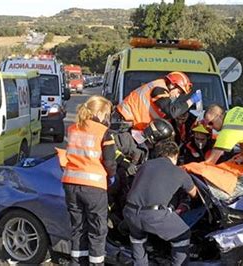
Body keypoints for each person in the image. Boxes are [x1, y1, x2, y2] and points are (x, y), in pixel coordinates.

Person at [61, 95, 117, 266]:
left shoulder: (73, 128)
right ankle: (96, 264)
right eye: (106, 114)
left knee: (78, 228)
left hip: (70, 183)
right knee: (97, 230)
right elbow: (109, 162)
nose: (106, 118)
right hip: (93, 186)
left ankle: (77, 262)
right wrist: (112, 175)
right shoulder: (103, 132)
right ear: (99, 112)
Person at [123, 141, 197, 266]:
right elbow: (194, 194)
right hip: (154, 216)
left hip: (130, 212)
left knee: (138, 240)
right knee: (183, 234)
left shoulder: (145, 165)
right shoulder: (179, 172)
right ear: (175, 155)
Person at [115, 72, 202, 130]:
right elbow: (172, 112)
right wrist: (191, 100)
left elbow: (165, 114)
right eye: (178, 92)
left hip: (132, 125)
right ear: (172, 85)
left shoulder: (161, 90)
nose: (177, 95)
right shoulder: (159, 89)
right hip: (124, 123)